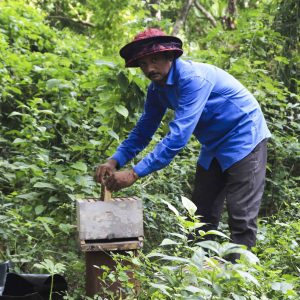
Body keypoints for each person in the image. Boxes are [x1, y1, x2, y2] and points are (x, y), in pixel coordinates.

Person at [95, 28, 271, 252]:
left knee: (241, 215)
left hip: (245, 136)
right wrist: (115, 161)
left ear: (170, 56)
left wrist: (134, 173)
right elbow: (144, 130)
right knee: (201, 214)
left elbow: (178, 136)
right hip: (214, 145)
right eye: (143, 64)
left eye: (155, 60)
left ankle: (238, 274)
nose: (149, 68)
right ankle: (198, 270)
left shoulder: (192, 79)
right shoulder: (157, 90)